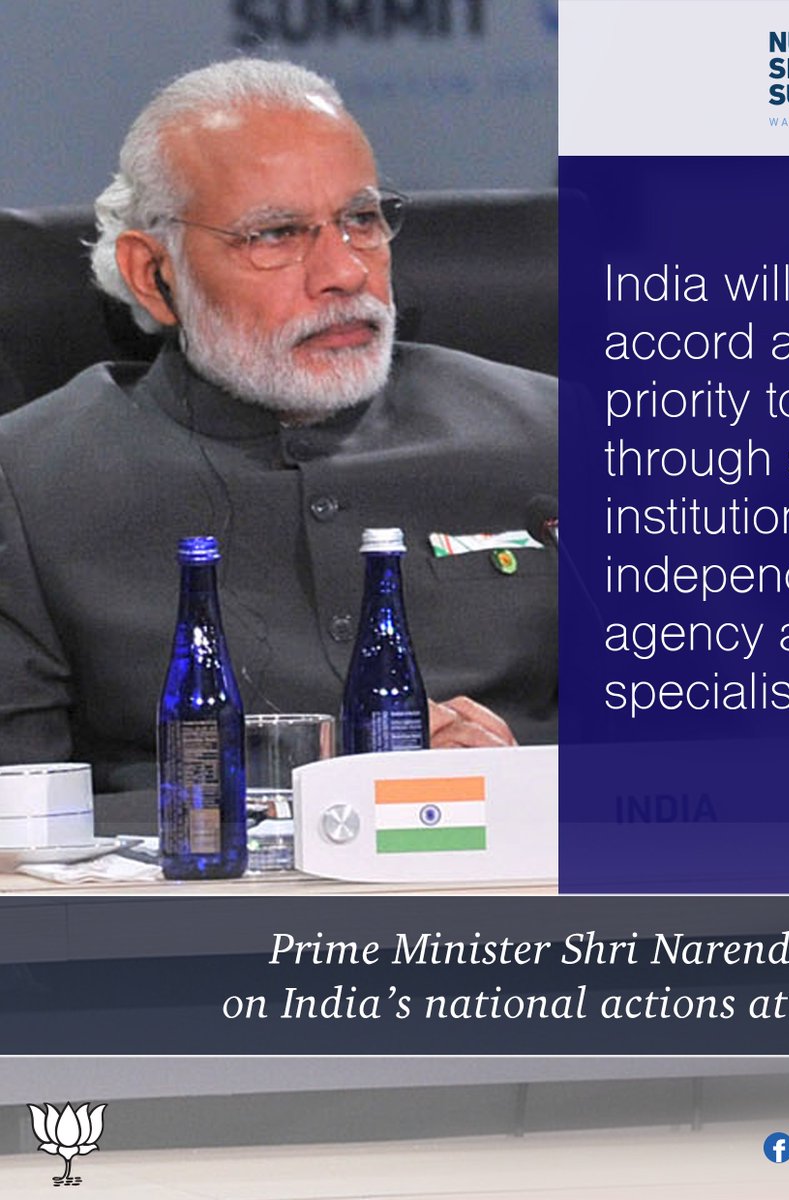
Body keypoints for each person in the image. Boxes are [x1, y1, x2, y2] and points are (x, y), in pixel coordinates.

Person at [0, 58, 557, 794]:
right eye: (275, 235)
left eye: (362, 220)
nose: (345, 273)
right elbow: (21, 815)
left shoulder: (559, 439)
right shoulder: (27, 485)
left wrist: (532, 784)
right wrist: (304, 771)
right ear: (153, 274)